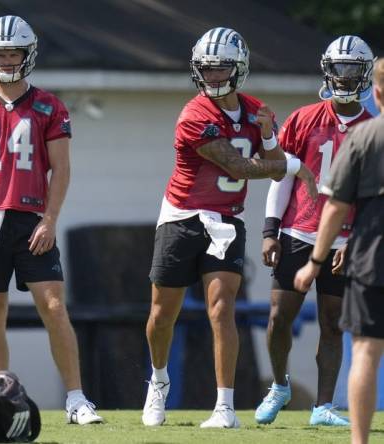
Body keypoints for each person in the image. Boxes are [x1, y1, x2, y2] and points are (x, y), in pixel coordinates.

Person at [142, 27, 318, 429]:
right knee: (162, 313)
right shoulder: (194, 114)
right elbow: (239, 166)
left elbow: (269, 162)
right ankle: (158, 380)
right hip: (181, 217)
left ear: (238, 69)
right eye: (206, 68)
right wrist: (294, 165)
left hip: (226, 220)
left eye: (221, 67)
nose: (213, 75)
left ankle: (225, 407)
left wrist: (270, 133)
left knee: (222, 311)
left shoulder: (254, 110)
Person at [0, 15, 102, 425]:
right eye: (2, 53)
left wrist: (50, 219)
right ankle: (2, 393)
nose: (8, 59)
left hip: (31, 217)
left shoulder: (49, 105)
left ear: (28, 55)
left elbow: (61, 169)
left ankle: (76, 399)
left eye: (15, 52)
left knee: (53, 305)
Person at [255, 35, 375, 426]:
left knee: (332, 321)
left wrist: (357, 240)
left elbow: (374, 197)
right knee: (278, 317)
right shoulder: (304, 118)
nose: (342, 77)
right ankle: (279, 385)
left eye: (351, 69)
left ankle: (323, 406)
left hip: (345, 239)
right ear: (327, 69)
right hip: (298, 231)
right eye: (337, 68)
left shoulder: (373, 129)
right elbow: (281, 176)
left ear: (365, 73)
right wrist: (270, 230)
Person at [294, 58, 384, 444]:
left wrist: (315, 261)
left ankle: (360, 442)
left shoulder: (364, 136)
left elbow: (333, 206)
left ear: (376, 91)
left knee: (365, 351)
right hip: (368, 253)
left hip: (372, 256)